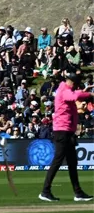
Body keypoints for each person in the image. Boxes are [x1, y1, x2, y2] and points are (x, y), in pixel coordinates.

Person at [39, 73, 93, 202]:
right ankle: (45, 191)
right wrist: (89, 95)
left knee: (72, 162)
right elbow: (74, 96)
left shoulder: (65, 89)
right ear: (72, 83)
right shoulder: (64, 90)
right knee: (58, 161)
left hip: (67, 131)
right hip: (62, 131)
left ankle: (78, 192)